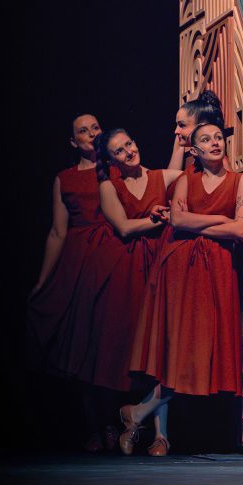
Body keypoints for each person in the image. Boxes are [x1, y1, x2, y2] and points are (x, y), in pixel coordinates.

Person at [122, 120, 243, 457]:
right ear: (194, 150)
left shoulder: (241, 181)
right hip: (180, 267)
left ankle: (138, 412)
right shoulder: (184, 180)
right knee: (177, 350)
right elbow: (178, 220)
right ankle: (152, 428)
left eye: (218, 137)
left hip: (218, 271)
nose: (215, 143)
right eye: (206, 140)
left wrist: (198, 224)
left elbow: (240, 231)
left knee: (199, 353)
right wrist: (221, 221)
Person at [74, 129, 181, 454]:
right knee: (132, 351)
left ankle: (159, 434)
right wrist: (159, 220)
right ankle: (130, 424)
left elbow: (182, 172)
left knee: (163, 350)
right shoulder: (109, 186)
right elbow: (123, 227)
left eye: (130, 144)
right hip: (129, 271)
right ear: (111, 160)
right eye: (119, 151)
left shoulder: (161, 176)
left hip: (161, 264)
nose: (129, 151)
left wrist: (182, 135)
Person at [27, 112, 124, 452]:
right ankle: (94, 427)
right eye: (84, 131)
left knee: (108, 342)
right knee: (81, 345)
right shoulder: (64, 179)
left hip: (113, 257)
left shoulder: (116, 167)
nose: (92, 133)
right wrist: (42, 281)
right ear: (73, 141)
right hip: (79, 261)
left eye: (96, 127)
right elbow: (57, 232)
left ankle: (113, 422)